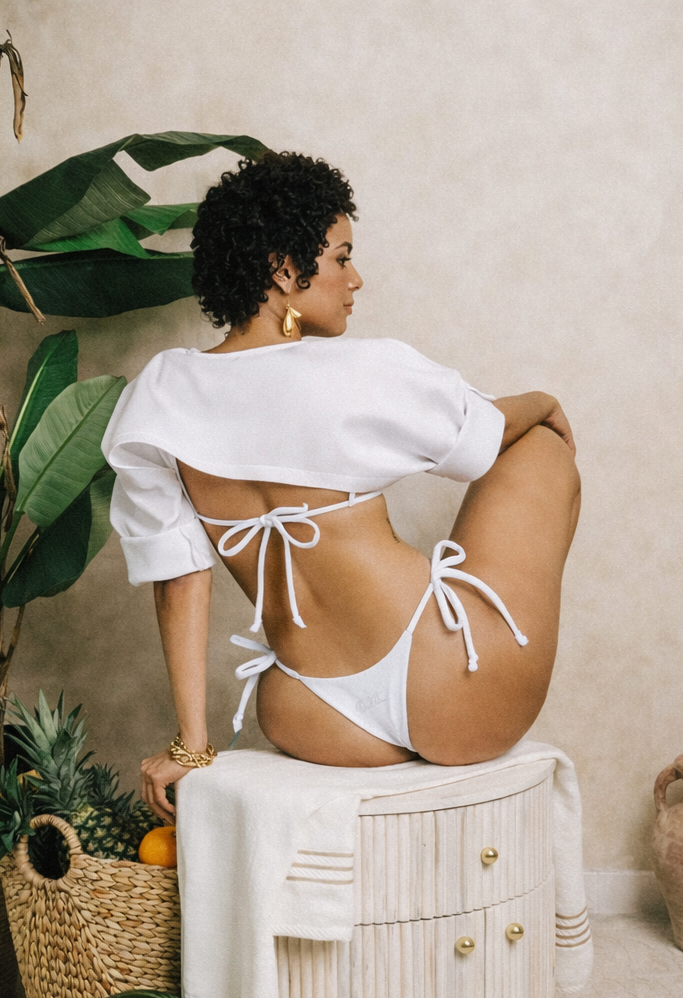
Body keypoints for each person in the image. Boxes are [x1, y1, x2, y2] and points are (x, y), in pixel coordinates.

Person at [102, 152, 580, 825]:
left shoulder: (158, 393)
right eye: (339, 257)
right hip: (449, 688)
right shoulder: (357, 367)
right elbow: (479, 436)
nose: (355, 279)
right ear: (281, 268)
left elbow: (179, 576)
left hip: (303, 710)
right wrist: (544, 399)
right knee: (537, 447)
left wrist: (192, 744)